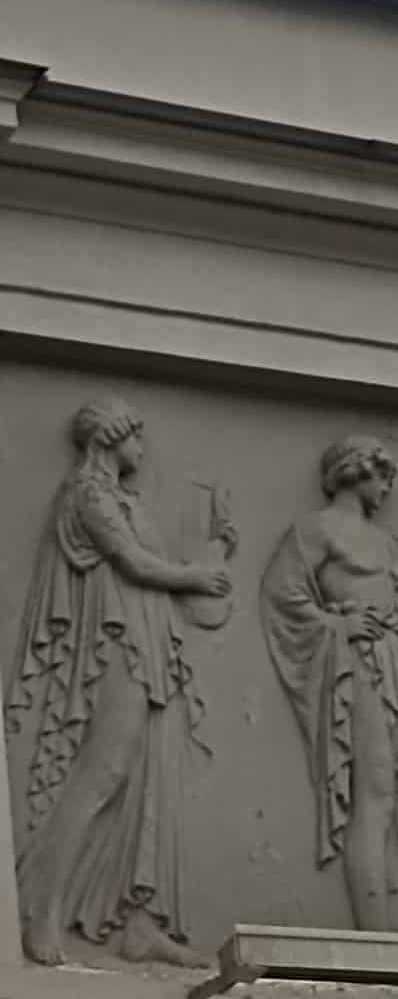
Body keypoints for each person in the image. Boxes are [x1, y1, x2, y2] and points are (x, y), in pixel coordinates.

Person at [5, 397, 231, 967]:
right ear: (111, 438)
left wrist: (216, 549)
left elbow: (160, 566)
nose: (143, 450)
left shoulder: (125, 499)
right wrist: (196, 576)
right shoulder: (89, 494)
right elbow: (134, 563)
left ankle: (136, 921)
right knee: (102, 774)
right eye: (136, 438)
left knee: (146, 779)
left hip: (149, 643)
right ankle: (41, 909)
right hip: (118, 641)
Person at [260, 436, 398, 933]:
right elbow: (281, 596)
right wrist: (337, 625)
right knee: (374, 799)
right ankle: (376, 942)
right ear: (358, 471)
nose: (388, 489)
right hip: (360, 668)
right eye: (384, 476)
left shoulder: (387, 542)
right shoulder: (315, 529)